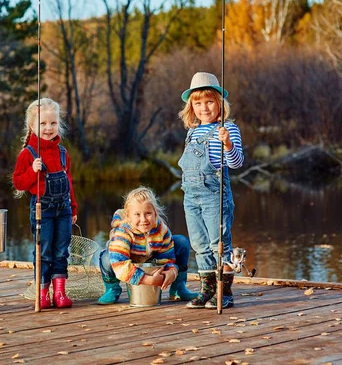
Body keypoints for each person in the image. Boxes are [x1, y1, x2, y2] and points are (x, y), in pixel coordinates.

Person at [178, 71, 244, 309]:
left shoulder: (228, 129)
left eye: (209, 102)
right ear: (191, 106)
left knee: (220, 243)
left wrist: (227, 143)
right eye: (198, 103)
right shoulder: (192, 132)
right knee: (199, 244)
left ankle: (224, 293)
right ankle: (207, 289)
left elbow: (236, 163)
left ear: (219, 103)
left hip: (215, 195)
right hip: (191, 196)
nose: (204, 108)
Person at [12, 98, 78, 309]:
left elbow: (69, 182)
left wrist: (73, 207)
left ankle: (60, 292)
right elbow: (19, 183)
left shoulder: (62, 153)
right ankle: (42, 292)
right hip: (43, 210)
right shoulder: (28, 154)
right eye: (42, 124)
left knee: (61, 250)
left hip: (64, 209)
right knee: (44, 250)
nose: (48, 128)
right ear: (32, 127)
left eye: (53, 123)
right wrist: (33, 171)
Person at [97, 186, 197, 305]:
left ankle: (178, 288)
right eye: (137, 214)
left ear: (155, 213)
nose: (143, 219)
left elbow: (168, 258)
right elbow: (120, 264)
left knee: (181, 242)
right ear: (128, 216)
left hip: (151, 258)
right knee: (106, 258)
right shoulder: (123, 231)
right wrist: (149, 280)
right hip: (124, 260)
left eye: (148, 213)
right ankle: (112, 288)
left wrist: (171, 272)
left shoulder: (161, 230)